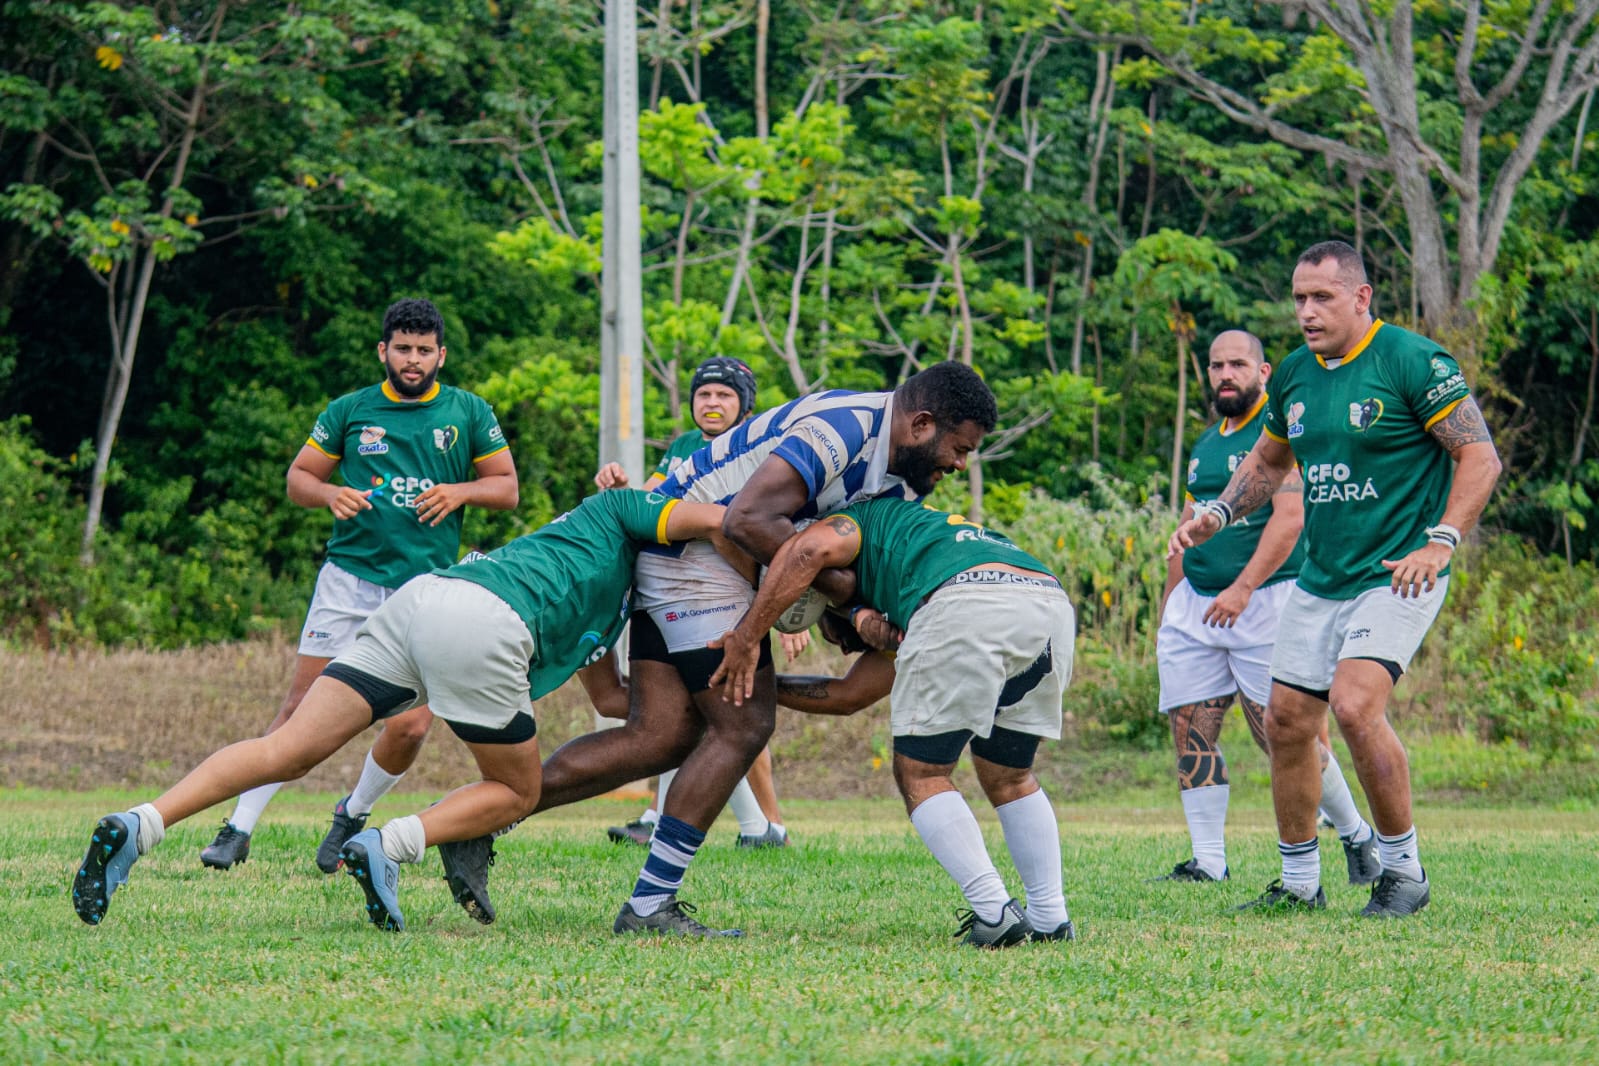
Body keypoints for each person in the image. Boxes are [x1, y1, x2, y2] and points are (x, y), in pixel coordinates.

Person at [438, 361, 996, 938]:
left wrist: (858, 620)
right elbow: (745, 519)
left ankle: (478, 818)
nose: (959, 464)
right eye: (958, 448)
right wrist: (845, 601)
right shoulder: (843, 426)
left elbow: (829, 556)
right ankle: (650, 905)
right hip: (693, 550)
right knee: (742, 725)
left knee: (657, 737)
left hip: (690, 558)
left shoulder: (901, 475)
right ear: (921, 423)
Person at [71, 489, 729, 931]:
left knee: (288, 748)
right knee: (515, 790)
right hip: (484, 621)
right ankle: (387, 843)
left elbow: (613, 701)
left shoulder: (601, 588)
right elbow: (727, 522)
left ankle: (143, 822)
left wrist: (693, 695)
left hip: (422, 601)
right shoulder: (622, 508)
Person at [1168, 240, 1501, 918]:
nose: (1306, 311)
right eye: (1297, 298)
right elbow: (1266, 461)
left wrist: (1440, 541)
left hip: (1397, 571)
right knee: (1288, 722)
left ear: (1360, 297)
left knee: (1352, 705)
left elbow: (1479, 457)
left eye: (1321, 297)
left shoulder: (1411, 361)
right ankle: (1298, 885)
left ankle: (1402, 873)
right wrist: (1219, 512)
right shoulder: (1291, 374)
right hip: (1320, 578)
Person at [196, 298, 519, 874]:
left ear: (441, 355)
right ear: (383, 351)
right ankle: (238, 827)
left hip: (424, 591)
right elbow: (299, 478)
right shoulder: (351, 410)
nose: (413, 360)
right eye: (403, 349)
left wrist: (460, 491)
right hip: (348, 582)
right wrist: (328, 494)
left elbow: (506, 487)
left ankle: (353, 814)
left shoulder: (468, 411)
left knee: (412, 722)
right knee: (299, 707)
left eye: (424, 350)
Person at [712, 496, 1076, 948]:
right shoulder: (913, 555)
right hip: (1045, 598)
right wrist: (750, 684)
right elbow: (848, 695)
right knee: (1011, 774)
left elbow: (807, 552)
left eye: (828, 627)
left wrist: (747, 639)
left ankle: (993, 911)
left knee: (921, 773)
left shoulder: (849, 524)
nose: (839, 643)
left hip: (964, 600)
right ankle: (1049, 917)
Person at [1152, 330, 1378, 886]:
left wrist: (1244, 588)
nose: (1226, 374)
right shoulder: (1206, 444)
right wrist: (1168, 604)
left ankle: (1357, 837)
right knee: (1190, 726)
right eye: (1216, 365)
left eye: (1238, 364)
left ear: (1264, 371)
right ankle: (1208, 861)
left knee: (1280, 732)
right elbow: (1186, 529)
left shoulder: (1278, 436)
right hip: (1196, 607)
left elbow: (1290, 519)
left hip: (1264, 600)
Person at [595, 356, 794, 850]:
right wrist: (622, 491)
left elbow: (782, 529)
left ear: (745, 408)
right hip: (669, 589)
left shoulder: (763, 452)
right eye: (703, 394)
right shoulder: (683, 449)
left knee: (722, 714)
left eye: (724, 395)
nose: (711, 403)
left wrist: (789, 608)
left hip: (728, 594)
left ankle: (759, 827)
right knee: (690, 716)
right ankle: (749, 829)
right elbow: (649, 504)